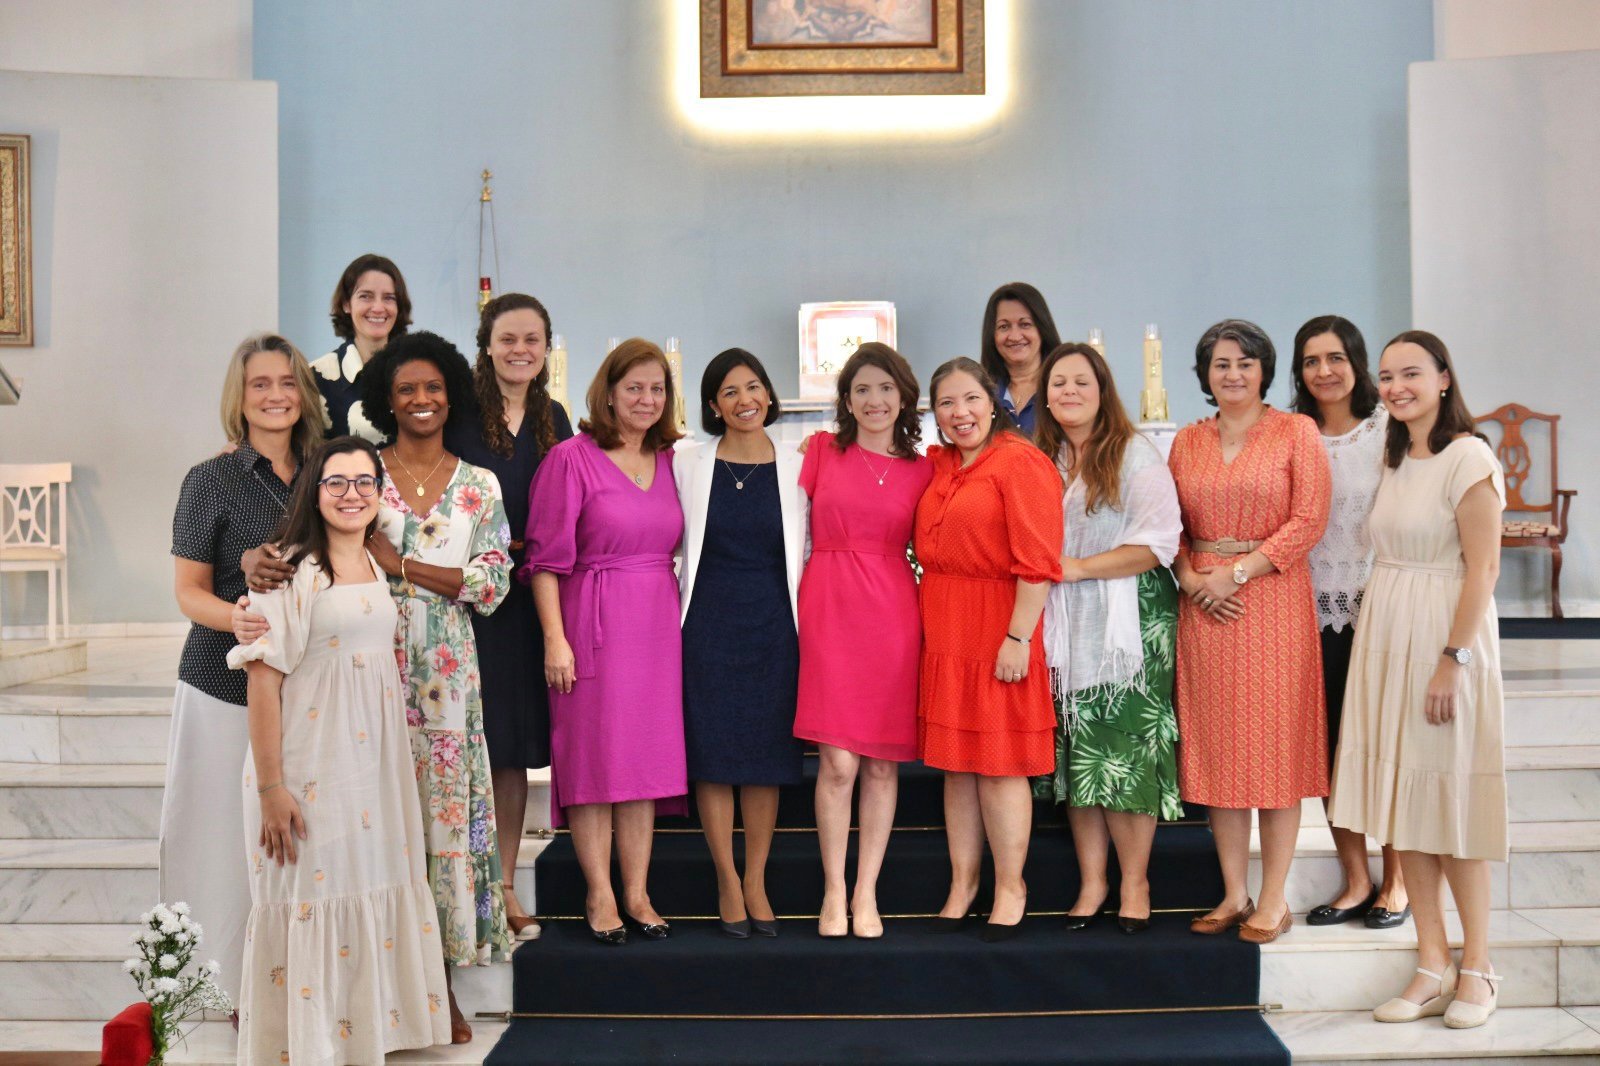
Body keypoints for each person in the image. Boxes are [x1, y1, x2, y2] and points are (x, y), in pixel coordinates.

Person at [226, 436, 449, 1065]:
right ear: (313, 491)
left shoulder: (378, 559)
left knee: (368, 879)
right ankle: (312, 1040)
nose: (352, 494)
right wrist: (272, 788)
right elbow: (263, 683)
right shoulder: (288, 570)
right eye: (336, 482)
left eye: (364, 481)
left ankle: (366, 1031)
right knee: (312, 891)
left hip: (371, 763)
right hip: (308, 762)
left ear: (380, 490)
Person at [1328, 331, 1507, 1029]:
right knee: (1408, 808)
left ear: (1443, 379)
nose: (1397, 387)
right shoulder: (1397, 454)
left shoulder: (1469, 457)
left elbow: (1483, 569)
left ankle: (1479, 966)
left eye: (1411, 374)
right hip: (1388, 632)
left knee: (1451, 805)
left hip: (1444, 635)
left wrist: (1451, 659)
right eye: (1387, 376)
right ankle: (1432, 963)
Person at [359, 331, 513, 1037]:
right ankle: (376, 982)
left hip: (448, 676)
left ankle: (440, 987)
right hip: (368, 662)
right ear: (386, 400)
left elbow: (491, 583)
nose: (421, 399)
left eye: (432, 387)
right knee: (381, 819)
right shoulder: (362, 473)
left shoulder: (479, 484)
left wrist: (402, 566)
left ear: (451, 395)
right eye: (406, 390)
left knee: (443, 825)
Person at [164, 334, 324, 1008]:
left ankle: (292, 980)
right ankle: (219, 986)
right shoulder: (211, 479)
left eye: (287, 383)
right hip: (223, 683)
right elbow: (188, 592)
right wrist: (238, 619)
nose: (276, 396)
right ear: (241, 395)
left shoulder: (327, 468)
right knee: (219, 842)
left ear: (304, 393)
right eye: (261, 384)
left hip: (309, 687)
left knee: (297, 841)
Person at [1168, 319, 1331, 945]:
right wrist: (1190, 578)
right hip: (1204, 607)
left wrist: (1236, 573)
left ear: (1264, 369)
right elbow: (1169, 524)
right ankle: (1234, 892)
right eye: (1220, 364)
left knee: (1276, 747)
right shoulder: (1187, 440)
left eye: (1245, 362)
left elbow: (1309, 519)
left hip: (1271, 599)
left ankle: (1274, 897)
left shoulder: (1296, 431)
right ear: (1204, 374)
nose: (1233, 373)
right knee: (1219, 749)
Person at [523, 338, 688, 945]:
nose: (647, 399)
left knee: (642, 763)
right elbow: (544, 561)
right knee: (595, 761)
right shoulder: (571, 458)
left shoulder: (672, 460)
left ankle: (638, 892)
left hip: (656, 628)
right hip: (590, 626)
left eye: (657, 389)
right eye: (634, 388)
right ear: (609, 394)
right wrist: (555, 640)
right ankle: (599, 892)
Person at [1032, 343, 1182, 934]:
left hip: (1129, 624)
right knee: (1081, 752)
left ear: (1103, 391)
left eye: (1081, 382)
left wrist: (1079, 568)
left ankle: (1135, 882)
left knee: (1124, 752)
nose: (1068, 391)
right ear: (1045, 396)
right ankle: (1093, 882)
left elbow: (1158, 544)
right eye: (1058, 383)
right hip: (1066, 621)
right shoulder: (1042, 459)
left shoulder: (1134, 453)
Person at [915, 357, 1064, 941]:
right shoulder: (942, 464)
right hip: (946, 629)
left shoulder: (1019, 462)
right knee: (956, 768)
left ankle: (1010, 887)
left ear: (993, 401)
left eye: (971, 399)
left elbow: (1038, 561)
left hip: (999, 626)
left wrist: (1018, 637)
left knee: (1000, 767)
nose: (961, 413)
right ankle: (963, 883)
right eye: (947, 403)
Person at [795, 343, 933, 940]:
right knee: (836, 762)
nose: (874, 400)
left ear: (903, 397)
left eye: (885, 388)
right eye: (862, 390)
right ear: (847, 401)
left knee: (880, 765)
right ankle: (833, 888)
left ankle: (866, 891)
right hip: (828, 606)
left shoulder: (925, 468)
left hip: (893, 613)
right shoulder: (820, 452)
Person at [448, 293, 575, 942]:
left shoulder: (554, 416)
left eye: (532, 340)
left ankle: (500, 888)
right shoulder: (459, 413)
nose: (520, 350)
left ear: (546, 348)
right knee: (466, 742)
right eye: (508, 339)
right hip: (469, 598)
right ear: (487, 345)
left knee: (512, 749)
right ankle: (455, 890)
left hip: (533, 596)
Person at [674, 349, 806, 939]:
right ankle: (726, 879)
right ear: (713, 405)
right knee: (713, 755)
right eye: (729, 391)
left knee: (764, 757)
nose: (744, 399)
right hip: (706, 623)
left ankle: (756, 879)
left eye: (753, 386)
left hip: (774, 624)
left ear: (769, 394)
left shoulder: (798, 462)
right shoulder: (688, 461)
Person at [1291, 315, 1408, 930]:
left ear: (1357, 363)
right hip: (1308, 611)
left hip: (1377, 607)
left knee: (1380, 746)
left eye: (1335, 357)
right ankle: (1356, 877)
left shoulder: (1387, 430)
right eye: (1311, 360)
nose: (1324, 371)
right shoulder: (1293, 433)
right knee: (1331, 747)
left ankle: (1398, 879)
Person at [310, 253, 411, 442]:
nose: (378, 308)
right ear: (346, 304)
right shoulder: (315, 377)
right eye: (366, 296)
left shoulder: (418, 370)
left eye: (389, 298)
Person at [978, 282, 1063, 434]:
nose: (1015, 336)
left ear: (1042, 329)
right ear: (992, 335)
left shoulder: (1065, 389)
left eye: (1025, 324)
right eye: (1004, 326)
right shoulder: (981, 393)